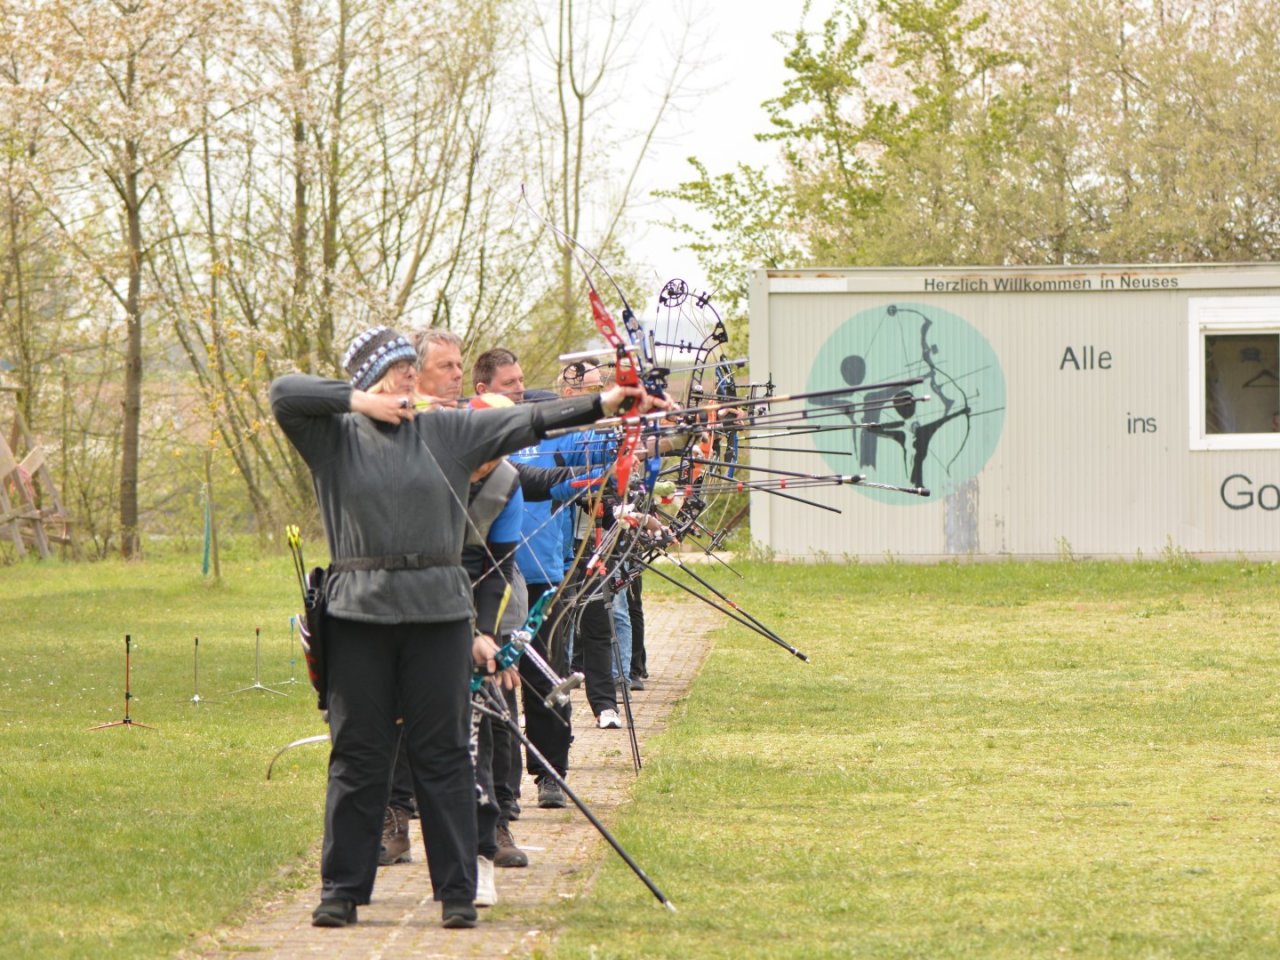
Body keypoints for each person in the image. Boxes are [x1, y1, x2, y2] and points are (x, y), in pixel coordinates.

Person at [269, 325, 665, 931]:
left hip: (437, 615)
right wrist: (359, 403)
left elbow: (527, 423)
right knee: (358, 755)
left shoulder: (445, 431)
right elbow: (285, 392)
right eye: (394, 369)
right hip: (357, 617)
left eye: (410, 367)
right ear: (367, 378)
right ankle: (344, 890)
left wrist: (608, 403)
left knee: (445, 754)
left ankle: (456, 890)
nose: (407, 376)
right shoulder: (333, 438)